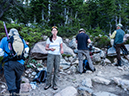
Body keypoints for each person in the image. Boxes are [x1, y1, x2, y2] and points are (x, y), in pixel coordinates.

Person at [0, 28, 29, 96]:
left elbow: (0, 52)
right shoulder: (21, 39)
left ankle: (13, 93)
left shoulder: (4, 39)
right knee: (17, 79)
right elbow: (27, 50)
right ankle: (17, 92)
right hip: (20, 63)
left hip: (9, 63)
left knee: (10, 80)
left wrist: (5, 54)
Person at [44, 26, 63, 90]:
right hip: (50, 54)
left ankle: (55, 84)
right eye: (53, 31)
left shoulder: (59, 38)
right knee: (49, 70)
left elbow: (61, 46)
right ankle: (48, 84)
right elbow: (46, 48)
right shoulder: (49, 39)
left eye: (55, 30)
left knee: (56, 69)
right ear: (51, 32)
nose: (54, 32)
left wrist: (62, 50)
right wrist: (50, 49)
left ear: (57, 31)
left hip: (57, 54)